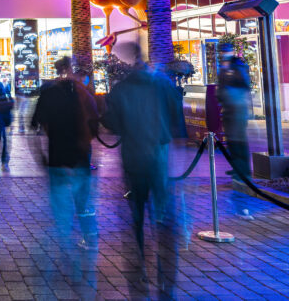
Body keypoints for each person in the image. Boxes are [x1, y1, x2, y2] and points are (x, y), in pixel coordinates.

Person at [101, 43, 184, 300]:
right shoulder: (163, 84)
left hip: (134, 157)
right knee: (163, 214)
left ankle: (139, 269)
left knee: (136, 213)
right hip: (159, 156)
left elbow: (111, 124)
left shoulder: (120, 89)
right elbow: (177, 117)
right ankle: (165, 279)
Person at [30, 56, 98, 293]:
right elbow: (96, 124)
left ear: (57, 70)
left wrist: (40, 155)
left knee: (61, 208)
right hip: (80, 157)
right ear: (70, 69)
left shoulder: (49, 94)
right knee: (83, 201)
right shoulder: (84, 92)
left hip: (57, 157)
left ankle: (65, 245)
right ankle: (88, 239)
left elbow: (35, 126)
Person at [217, 40, 253, 218]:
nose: (224, 53)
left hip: (237, 109)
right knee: (231, 139)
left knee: (239, 139)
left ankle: (243, 170)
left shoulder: (237, 66)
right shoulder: (223, 67)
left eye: (226, 50)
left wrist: (230, 94)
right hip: (229, 109)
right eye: (222, 50)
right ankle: (236, 167)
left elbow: (244, 86)